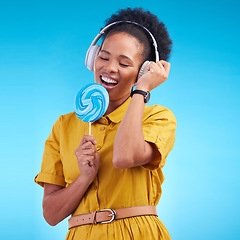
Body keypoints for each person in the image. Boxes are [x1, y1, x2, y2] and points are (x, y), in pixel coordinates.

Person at [35, 7, 177, 240]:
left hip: (138, 234)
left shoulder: (157, 117)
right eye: (103, 57)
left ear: (142, 72)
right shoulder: (63, 126)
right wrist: (84, 178)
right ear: (92, 58)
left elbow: (124, 157)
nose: (110, 68)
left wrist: (141, 90)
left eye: (124, 63)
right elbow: (51, 215)